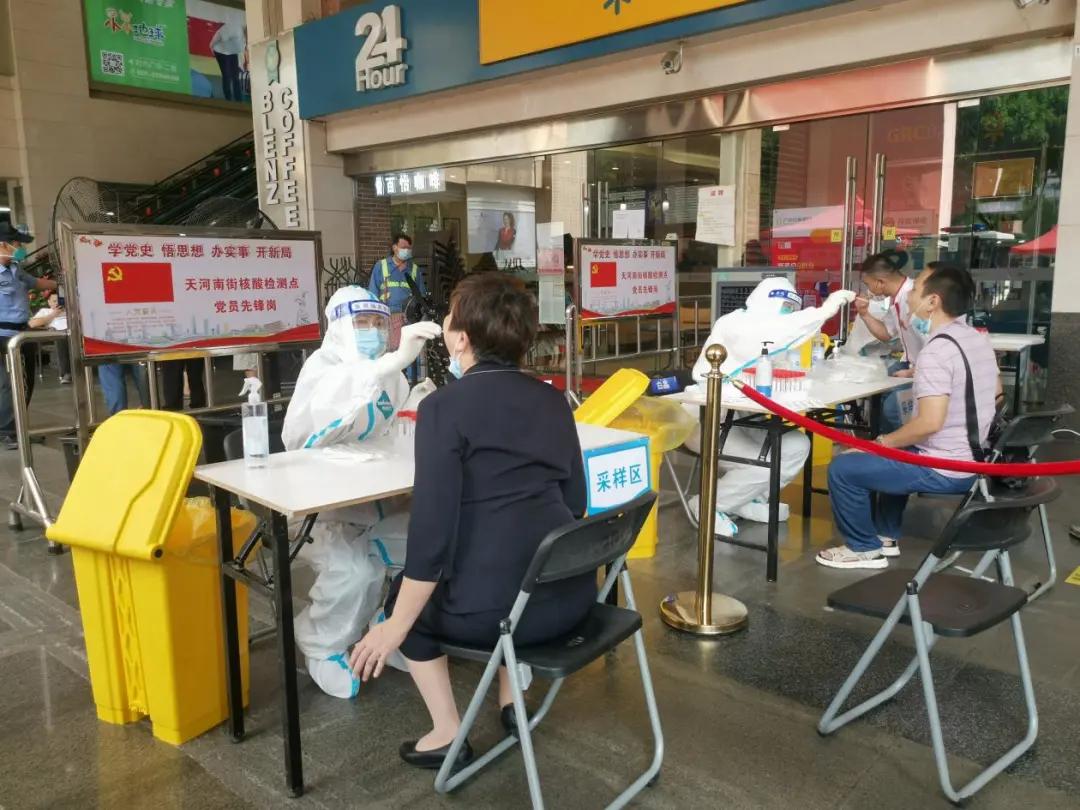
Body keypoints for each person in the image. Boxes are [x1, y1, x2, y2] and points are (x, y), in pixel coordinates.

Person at [349, 274, 590, 770]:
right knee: (511, 567)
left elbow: (432, 537)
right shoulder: (552, 401)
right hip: (571, 599)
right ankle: (511, 701)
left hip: (504, 614)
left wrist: (393, 627)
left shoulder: (442, 409)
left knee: (405, 603)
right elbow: (577, 501)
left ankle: (447, 733)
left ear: (460, 338)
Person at [283, 286, 440, 698]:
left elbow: (394, 426)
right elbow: (332, 404)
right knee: (355, 572)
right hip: (321, 508)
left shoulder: (388, 372)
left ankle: (387, 627)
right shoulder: (324, 368)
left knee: (423, 547)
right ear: (338, 328)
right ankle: (322, 645)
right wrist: (389, 363)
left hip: (378, 496)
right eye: (361, 324)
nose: (371, 332)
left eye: (377, 323)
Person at [818, 264, 1000, 569]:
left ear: (933, 301)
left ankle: (863, 548)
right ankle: (885, 535)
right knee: (899, 450)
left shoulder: (936, 351)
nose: (911, 295)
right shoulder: (975, 338)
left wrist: (878, 443)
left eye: (916, 290)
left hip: (946, 466)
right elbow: (997, 393)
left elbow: (929, 424)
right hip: (977, 456)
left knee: (843, 467)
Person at [686, 277, 856, 535]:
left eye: (791, 308)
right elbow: (770, 335)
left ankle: (749, 499)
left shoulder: (771, 330)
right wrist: (822, 312)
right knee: (760, 464)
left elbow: (781, 349)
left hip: (744, 414)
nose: (787, 313)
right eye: (783, 307)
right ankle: (708, 505)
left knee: (797, 445)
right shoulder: (735, 324)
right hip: (705, 418)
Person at [852, 250, 925, 432]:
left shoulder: (914, 299)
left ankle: (909, 446)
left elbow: (935, 344)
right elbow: (886, 333)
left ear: (880, 282)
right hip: (911, 363)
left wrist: (913, 372)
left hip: (927, 368)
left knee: (893, 408)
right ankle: (883, 446)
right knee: (876, 382)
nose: (868, 290)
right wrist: (864, 314)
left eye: (868, 284)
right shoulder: (896, 298)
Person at [0, 223, 57, 450]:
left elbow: (35, 283)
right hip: (4, 335)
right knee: (10, 384)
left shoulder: (15, 268)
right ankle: (9, 432)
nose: (19, 247)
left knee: (23, 383)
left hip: (21, 332)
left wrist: (62, 283)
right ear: (2, 244)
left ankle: (15, 429)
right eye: (15, 243)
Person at [368, 234, 425, 352]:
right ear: (394, 247)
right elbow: (372, 295)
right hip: (387, 318)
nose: (407, 250)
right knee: (390, 354)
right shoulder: (381, 266)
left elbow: (421, 296)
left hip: (409, 318)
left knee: (409, 354)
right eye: (404, 247)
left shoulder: (414, 269)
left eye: (409, 248)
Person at [29, 292, 69, 383]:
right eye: (54, 301)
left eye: (59, 301)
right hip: (57, 333)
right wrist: (53, 314)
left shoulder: (70, 310)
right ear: (49, 302)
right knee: (60, 337)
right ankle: (66, 373)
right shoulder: (45, 311)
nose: (57, 303)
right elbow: (32, 324)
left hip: (72, 332)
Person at [210, 20, 246, 102]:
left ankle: (238, 98)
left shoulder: (242, 37)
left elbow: (240, 49)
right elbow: (219, 36)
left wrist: (241, 65)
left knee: (235, 77)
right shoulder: (234, 30)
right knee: (226, 75)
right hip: (222, 52)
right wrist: (211, 45)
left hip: (231, 51)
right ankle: (228, 98)